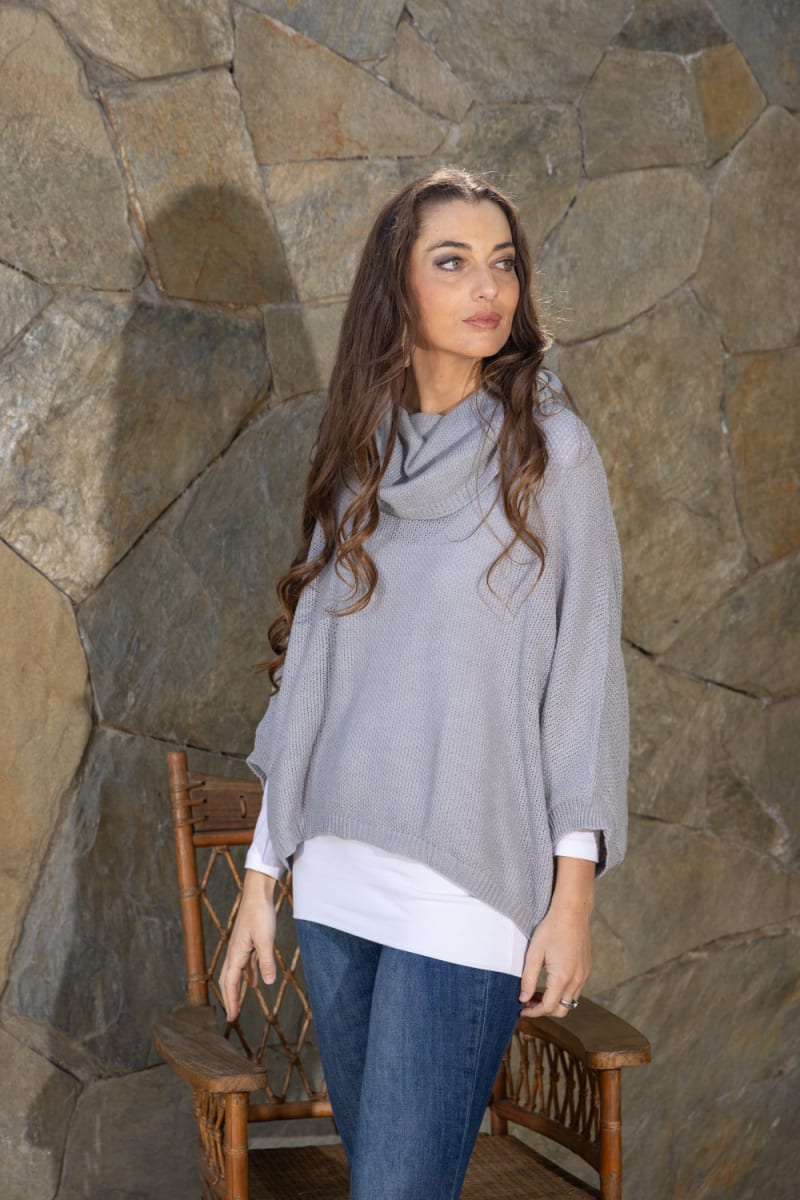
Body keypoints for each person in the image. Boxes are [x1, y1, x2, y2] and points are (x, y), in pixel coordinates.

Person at [221, 167, 628, 1198]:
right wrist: (262, 881)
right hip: (338, 885)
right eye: (451, 262)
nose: (487, 287)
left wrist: (570, 901)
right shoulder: (362, 458)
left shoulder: (552, 456)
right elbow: (311, 678)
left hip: (464, 894)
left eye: (503, 263)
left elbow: (583, 679)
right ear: (396, 289)